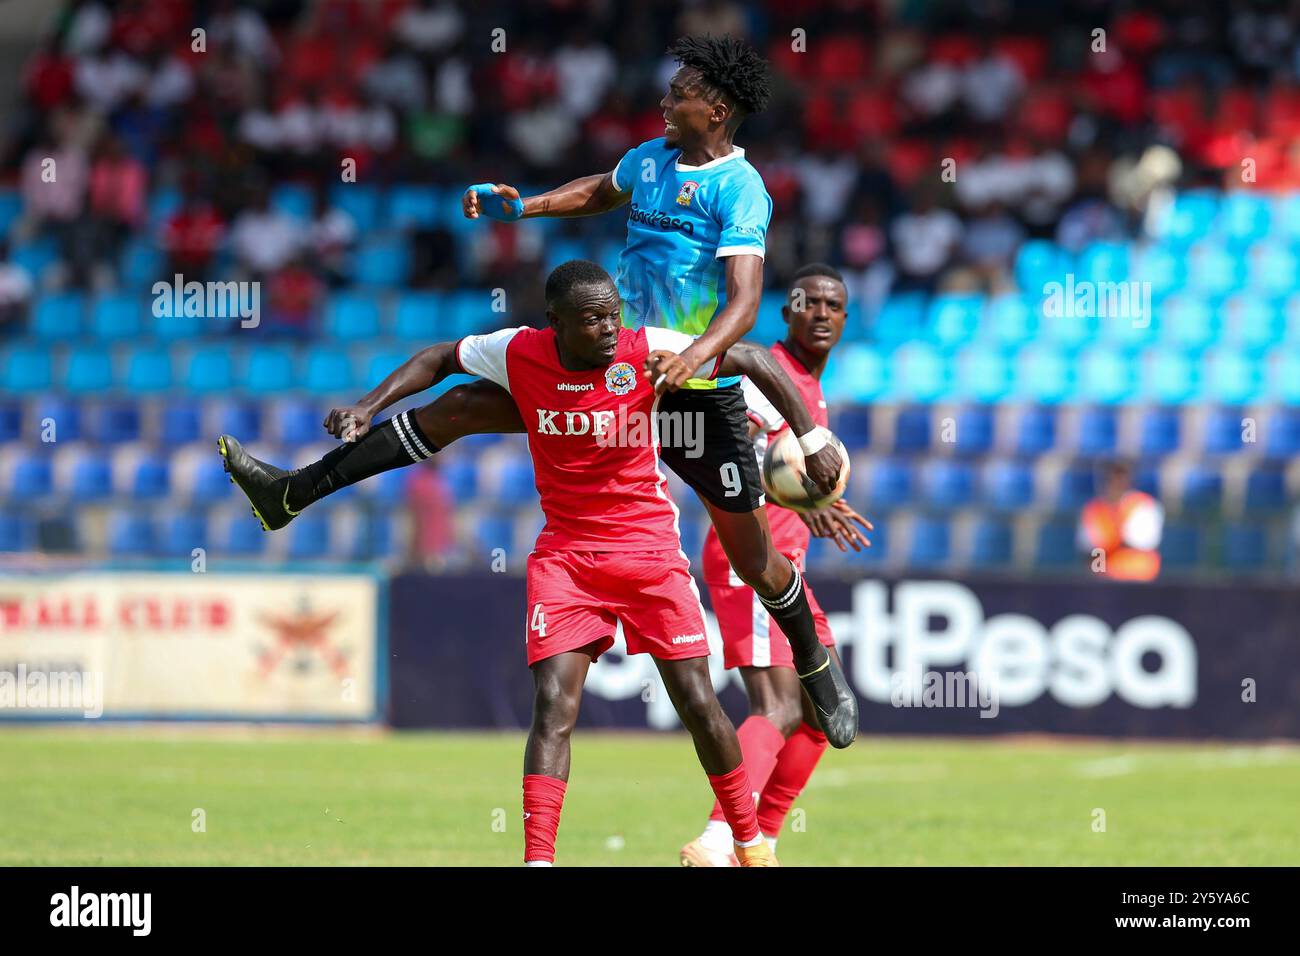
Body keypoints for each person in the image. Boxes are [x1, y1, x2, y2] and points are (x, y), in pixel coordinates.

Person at [220, 34, 859, 747]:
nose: (663, 101)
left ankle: (813, 660)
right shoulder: (650, 159)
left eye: (678, 93)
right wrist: (525, 208)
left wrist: (701, 364)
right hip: (618, 373)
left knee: (752, 559)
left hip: (694, 387)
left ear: (715, 110)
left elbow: (743, 304)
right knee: (462, 406)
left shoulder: (739, 189)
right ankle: (292, 493)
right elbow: (601, 190)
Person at [220, 260, 837, 865]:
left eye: (613, 316)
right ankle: (538, 862)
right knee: (553, 708)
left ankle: (748, 843)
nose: (609, 329)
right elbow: (438, 357)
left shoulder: (646, 348)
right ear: (556, 324)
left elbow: (752, 359)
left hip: (648, 553)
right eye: (593, 320)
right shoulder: (519, 351)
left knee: (700, 704)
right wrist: (367, 404)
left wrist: (808, 438)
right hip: (566, 559)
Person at [683, 263, 872, 866]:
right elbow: (727, 453)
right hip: (753, 559)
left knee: (822, 713)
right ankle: (721, 838)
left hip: (786, 563)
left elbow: (781, 462)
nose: (821, 313)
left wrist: (812, 500)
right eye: (808, 302)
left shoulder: (809, 386)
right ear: (786, 311)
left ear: (846, 318)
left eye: (833, 305)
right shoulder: (767, 374)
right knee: (779, 706)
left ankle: (759, 842)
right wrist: (787, 497)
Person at [1078, 460, 1163, 580]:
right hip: (1106, 580)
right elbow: (1092, 550)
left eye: (1120, 477)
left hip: (1138, 578)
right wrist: (1098, 574)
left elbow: (1138, 543)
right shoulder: (1093, 509)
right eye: (1110, 478)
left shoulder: (1142, 505)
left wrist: (1108, 545)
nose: (1115, 482)